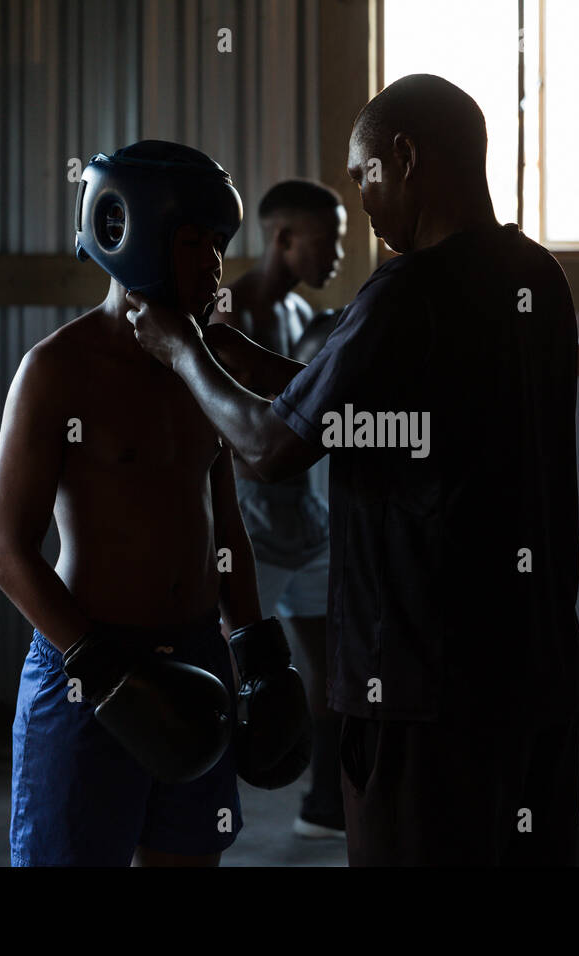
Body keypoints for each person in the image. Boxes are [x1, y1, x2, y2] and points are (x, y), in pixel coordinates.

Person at [124, 74, 579, 866]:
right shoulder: (534, 278)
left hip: (418, 680)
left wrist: (182, 350)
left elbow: (270, 449)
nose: (363, 200)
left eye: (364, 173)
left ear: (404, 157)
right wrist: (233, 355)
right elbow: (347, 401)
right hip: (532, 664)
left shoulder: (408, 292)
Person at [0, 140, 307, 867]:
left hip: (198, 657)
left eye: (220, 245)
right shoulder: (57, 369)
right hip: (88, 669)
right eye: (195, 243)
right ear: (125, 231)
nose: (214, 266)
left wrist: (253, 646)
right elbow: (8, 555)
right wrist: (105, 673)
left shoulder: (209, 362)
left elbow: (225, 524)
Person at [213, 179, 347, 838]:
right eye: (329, 242)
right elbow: (232, 433)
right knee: (225, 667)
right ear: (284, 238)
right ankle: (201, 808)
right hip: (245, 521)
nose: (339, 257)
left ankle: (326, 805)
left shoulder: (298, 315)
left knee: (329, 660)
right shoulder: (224, 312)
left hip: (304, 517)